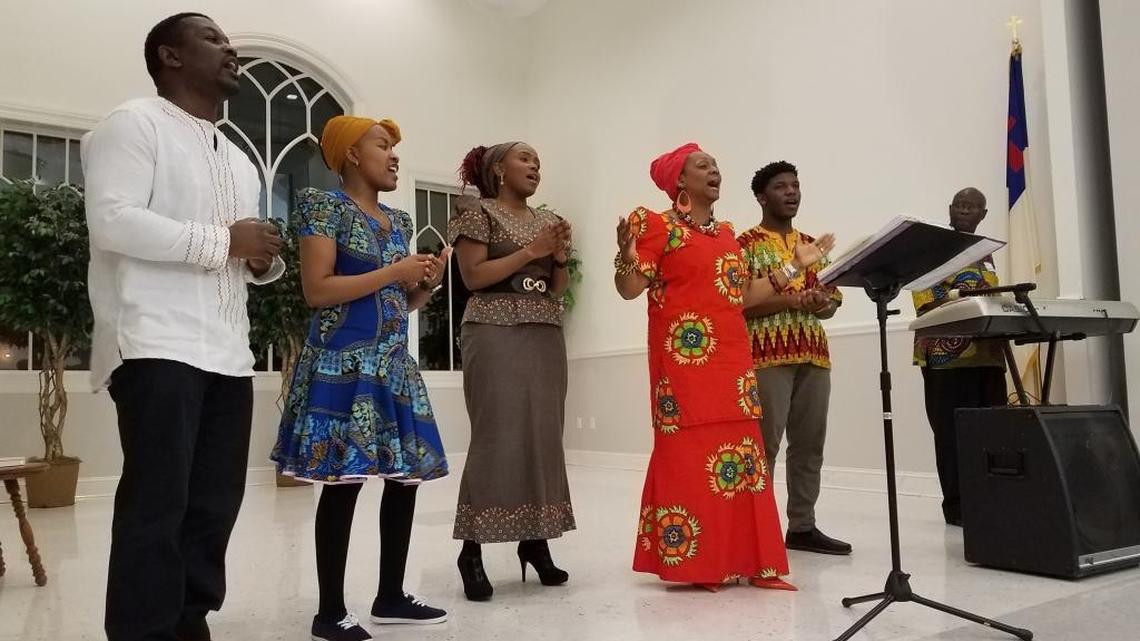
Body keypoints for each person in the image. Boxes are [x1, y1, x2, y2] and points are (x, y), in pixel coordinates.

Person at [83, 13, 285, 641]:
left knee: (213, 508)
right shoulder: (132, 124)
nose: (231, 49)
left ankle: (189, 622)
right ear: (169, 56)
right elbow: (113, 221)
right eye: (214, 39)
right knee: (157, 505)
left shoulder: (240, 160)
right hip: (154, 343)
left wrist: (260, 259)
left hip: (228, 353)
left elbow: (246, 253)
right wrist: (224, 241)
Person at [614, 142, 835, 590]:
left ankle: (750, 562)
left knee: (742, 463)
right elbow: (630, 288)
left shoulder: (727, 234)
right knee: (692, 460)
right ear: (680, 180)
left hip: (732, 364)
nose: (714, 170)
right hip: (684, 365)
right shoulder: (655, 225)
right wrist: (625, 253)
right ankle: (700, 563)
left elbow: (741, 297)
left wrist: (793, 265)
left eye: (715, 164)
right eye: (702, 165)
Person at [270, 116, 451, 641]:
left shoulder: (397, 220)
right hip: (343, 365)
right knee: (343, 483)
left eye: (396, 147)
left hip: (392, 366)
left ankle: (391, 596)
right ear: (350, 153)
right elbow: (318, 291)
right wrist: (397, 273)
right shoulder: (323, 208)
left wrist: (424, 288)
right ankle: (329, 615)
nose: (394, 155)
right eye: (382, 145)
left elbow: (399, 302)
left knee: (404, 480)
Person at [448, 141, 575, 601]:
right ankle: (472, 549)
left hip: (544, 331)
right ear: (499, 169)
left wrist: (558, 256)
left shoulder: (546, 220)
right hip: (493, 328)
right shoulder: (476, 212)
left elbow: (557, 289)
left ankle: (536, 541)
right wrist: (531, 251)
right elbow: (473, 278)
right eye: (525, 158)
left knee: (544, 434)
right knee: (496, 437)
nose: (535, 165)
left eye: (539, 160)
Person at [737, 161, 852, 555]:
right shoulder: (745, 244)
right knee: (764, 445)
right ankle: (757, 529)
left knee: (809, 445)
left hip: (814, 355)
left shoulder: (812, 245)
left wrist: (819, 302)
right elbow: (739, 304)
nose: (791, 192)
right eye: (781, 186)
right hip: (766, 356)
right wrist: (790, 299)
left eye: (796, 186)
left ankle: (802, 526)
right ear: (760, 196)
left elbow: (832, 301)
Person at [913, 187, 1008, 526]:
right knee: (951, 434)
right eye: (960, 206)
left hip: (987, 354)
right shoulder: (932, 248)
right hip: (945, 358)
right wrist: (965, 295)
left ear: (984, 214)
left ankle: (993, 498)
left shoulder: (986, 251)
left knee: (993, 433)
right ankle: (957, 508)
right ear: (950, 210)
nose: (965, 211)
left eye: (973, 207)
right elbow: (924, 298)